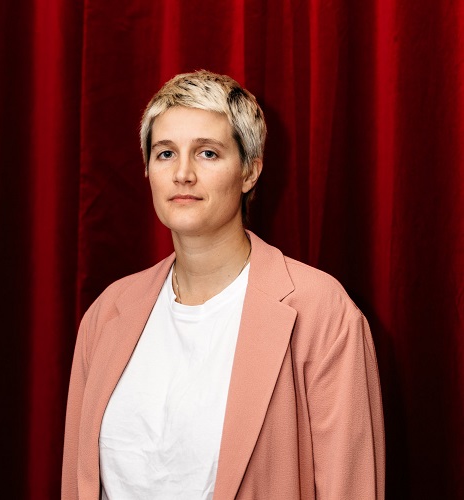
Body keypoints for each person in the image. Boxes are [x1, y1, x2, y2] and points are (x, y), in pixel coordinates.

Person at [62, 70, 385, 499]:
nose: (182, 173)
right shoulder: (108, 312)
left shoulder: (321, 312)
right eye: (165, 153)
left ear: (250, 172)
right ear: (147, 170)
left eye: (208, 153)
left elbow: (351, 487)